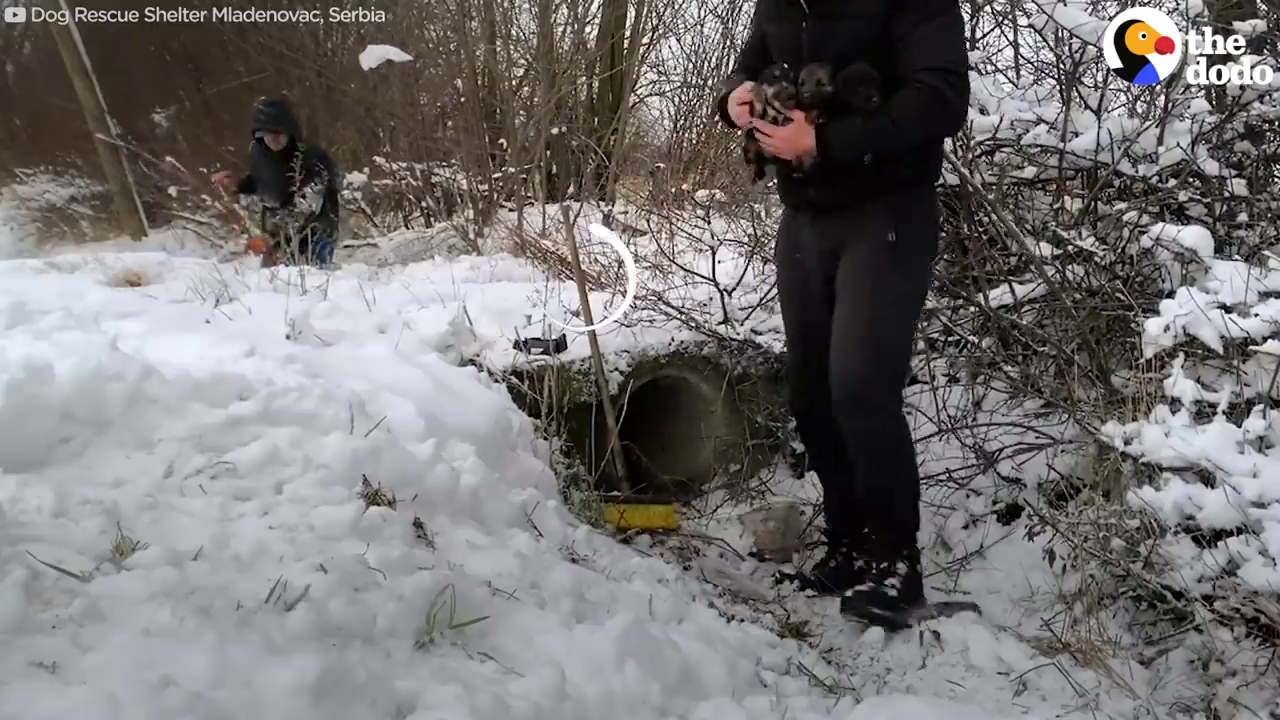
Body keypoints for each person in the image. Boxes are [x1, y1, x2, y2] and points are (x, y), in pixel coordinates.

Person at [714, 0, 969, 625]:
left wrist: (826, 140)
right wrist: (734, 100)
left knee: (860, 385)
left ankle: (895, 562)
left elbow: (940, 96)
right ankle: (850, 546)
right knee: (812, 393)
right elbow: (747, 66)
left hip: (890, 209)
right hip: (805, 217)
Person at [212, 97, 341, 267]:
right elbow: (261, 182)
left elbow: (306, 207)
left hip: (316, 233)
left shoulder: (312, 159)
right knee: (272, 283)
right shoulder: (263, 157)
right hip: (281, 236)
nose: (273, 140)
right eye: (267, 135)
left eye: (278, 134)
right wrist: (238, 185)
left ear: (289, 132)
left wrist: (268, 240)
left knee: (310, 281)